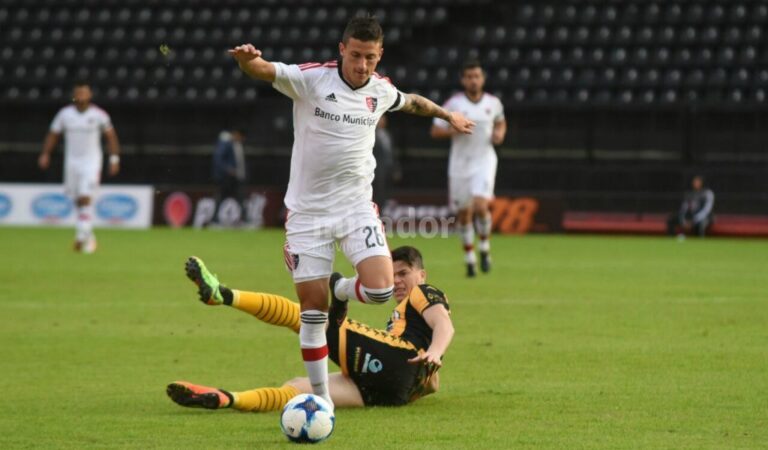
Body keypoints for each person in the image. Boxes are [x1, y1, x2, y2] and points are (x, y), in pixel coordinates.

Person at [228, 16, 473, 408]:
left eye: (371, 58)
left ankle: (341, 287)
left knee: (379, 289)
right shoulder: (312, 79)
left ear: (380, 56)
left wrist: (448, 116)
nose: (362, 65)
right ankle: (322, 399)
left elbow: (413, 102)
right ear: (342, 49)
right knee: (312, 310)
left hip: (356, 207)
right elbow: (264, 69)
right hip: (308, 214)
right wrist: (246, 60)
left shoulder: (380, 90)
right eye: (356, 55)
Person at [167, 246, 454, 411]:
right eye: (392, 276)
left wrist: (436, 351)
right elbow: (433, 384)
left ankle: (223, 295)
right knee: (297, 390)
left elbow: (444, 324)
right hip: (394, 395)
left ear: (422, 275)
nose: (397, 281)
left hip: (397, 361)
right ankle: (229, 399)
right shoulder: (402, 316)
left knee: (307, 316)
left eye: (403, 273)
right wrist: (422, 376)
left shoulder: (424, 291)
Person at [431, 60, 507, 278]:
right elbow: (435, 131)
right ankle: (470, 259)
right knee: (464, 213)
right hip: (460, 164)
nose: (474, 80)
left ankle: (484, 247)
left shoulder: (493, 103)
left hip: (484, 160)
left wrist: (500, 133)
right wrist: (453, 129)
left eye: (477, 76)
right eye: (469, 76)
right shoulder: (454, 103)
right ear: (463, 80)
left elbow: (501, 122)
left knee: (481, 205)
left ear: (482, 79)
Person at [38, 81, 121, 253]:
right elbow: (53, 135)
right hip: (72, 162)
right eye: (78, 94)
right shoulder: (64, 115)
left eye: (84, 94)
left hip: (91, 162)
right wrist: (46, 153)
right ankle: (88, 235)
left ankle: (81, 236)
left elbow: (111, 137)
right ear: (74, 95)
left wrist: (114, 159)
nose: (81, 97)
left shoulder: (99, 115)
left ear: (89, 95)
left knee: (85, 196)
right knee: (77, 200)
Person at [211, 129, 247, 225]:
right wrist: (228, 169)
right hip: (226, 178)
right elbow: (218, 159)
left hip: (235, 178)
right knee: (221, 198)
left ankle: (243, 219)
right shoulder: (226, 143)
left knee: (240, 198)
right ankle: (214, 220)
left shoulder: (237, 145)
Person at [372, 114, 399, 207]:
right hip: (377, 170)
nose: (383, 121)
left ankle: (383, 211)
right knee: (377, 193)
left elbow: (392, 153)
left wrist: (396, 168)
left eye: (384, 119)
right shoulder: (371, 134)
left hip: (388, 169)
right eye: (380, 119)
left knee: (386, 193)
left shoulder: (388, 134)